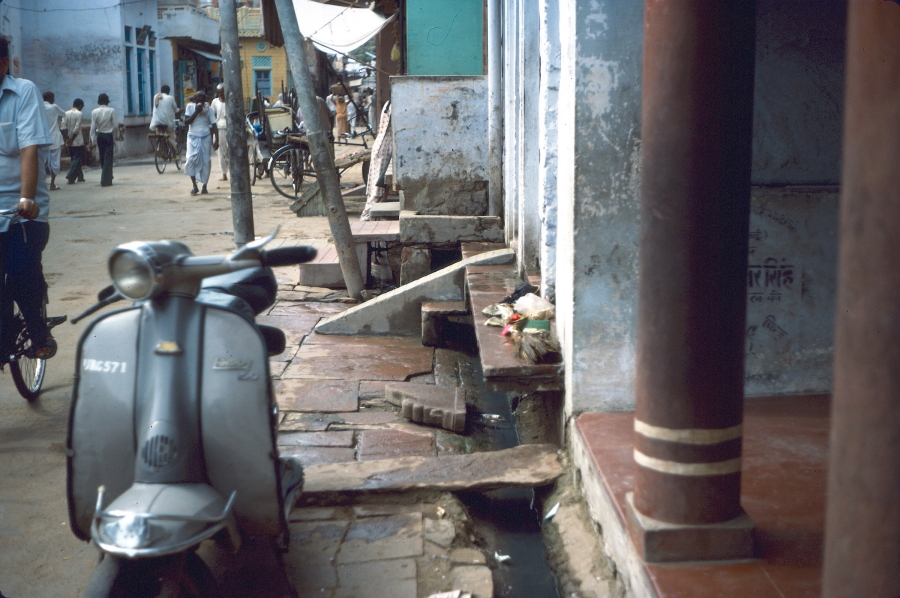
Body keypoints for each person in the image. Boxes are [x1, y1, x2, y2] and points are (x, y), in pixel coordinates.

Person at [0, 38, 56, 359]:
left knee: (21, 271)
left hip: (21, 210)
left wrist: (26, 198)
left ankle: (37, 330)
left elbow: (29, 150)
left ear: (4, 64)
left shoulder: (23, 92)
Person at [183, 91, 218, 195]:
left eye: (203, 99)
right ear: (195, 99)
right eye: (198, 99)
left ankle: (204, 186)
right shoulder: (190, 107)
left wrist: (217, 140)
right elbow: (187, 122)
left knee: (206, 162)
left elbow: (214, 125)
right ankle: (194, 185)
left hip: (205, 136)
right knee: (190, 160)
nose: (200, 101)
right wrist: (196, 112)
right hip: (192, 136)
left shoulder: (209, 109)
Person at [89, 93, 121, 187]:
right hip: (108, 135)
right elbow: (115, 125)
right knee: (108, 158)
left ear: (99, 101)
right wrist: (117, 136)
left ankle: (106, 176)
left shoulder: (94, 112)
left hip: (100, 135)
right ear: (107, 101)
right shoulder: (111, 110)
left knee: (102, 157)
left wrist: (92, 140)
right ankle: (106, 178)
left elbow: (93, 127)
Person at [42, 91, 66, 191]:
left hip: (42, 140)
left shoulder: (39, 107)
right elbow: (64, 114)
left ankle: (41, 185)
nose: (54, 99)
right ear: (50, 98)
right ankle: (52, 184)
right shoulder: (54, 107)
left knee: (42, 163)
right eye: (53, 97)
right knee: (55, 163)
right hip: (54, 139)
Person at [149, 84, 180, 156]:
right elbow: (176, 110)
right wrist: (179, 114)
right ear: (168, 91)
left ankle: (159, 146)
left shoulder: (155, 97)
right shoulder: (170, 98)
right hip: (167, 123)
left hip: (156, 122)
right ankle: (175, 154)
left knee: (159, 134)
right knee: (171, 136)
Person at [61, 98, 86, 184]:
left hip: (69, 140)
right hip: (77, 139)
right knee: (77, 158)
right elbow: (77, 128)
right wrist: (72, 138)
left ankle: (80, 176)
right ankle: (71, 176)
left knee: (74, 158)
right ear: (79, 105)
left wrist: (67, 138)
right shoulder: (79, 114)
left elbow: (63, 126)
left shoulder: (65, 113)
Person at [210, 84, 229, 181]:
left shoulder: (230, 101)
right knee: (221, 153)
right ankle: (224, 174)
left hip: (229, 129)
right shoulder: (215, 102)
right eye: (219, 92)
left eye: (222, 91)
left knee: (230, 151)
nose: (220, 94)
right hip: (219, 129)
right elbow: (212, 116)